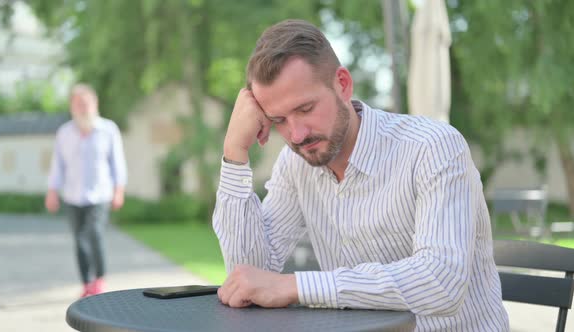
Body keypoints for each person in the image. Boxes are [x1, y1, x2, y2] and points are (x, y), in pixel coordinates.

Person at [213, 19, 509, 331]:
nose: (296, 134)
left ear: (342, 83)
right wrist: (234, 152)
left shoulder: (432, 148)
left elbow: (440, 283)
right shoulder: (295, 163)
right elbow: (249, 277)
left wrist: (296, 286)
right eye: (279, 120)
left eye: (305, 108)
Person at [45, 84, 127, 298]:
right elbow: (58, 165)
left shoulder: (108, 130)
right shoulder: (64, 133)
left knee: (95, 233)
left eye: (86, 103)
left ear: (95, 104)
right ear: (72, 106)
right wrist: (52, 191)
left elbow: (117, 163)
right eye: (78, 104)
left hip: (100, 195)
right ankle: (86, 283)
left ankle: (99, 279)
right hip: (72, 196)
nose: (82, 108)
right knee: (79, 239)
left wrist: (119, 190)